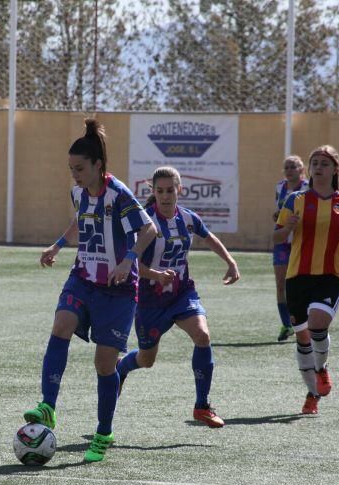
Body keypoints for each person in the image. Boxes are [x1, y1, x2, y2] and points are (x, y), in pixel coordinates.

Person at [23, 118, 157, 462]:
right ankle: (48, 406)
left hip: (118, 291)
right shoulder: (79, 193)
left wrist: (128, 260)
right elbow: (80, 221)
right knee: (61, 326)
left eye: (80, 168)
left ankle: (103, 432)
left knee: (103, 363)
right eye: (71, 169)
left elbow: (148, 230)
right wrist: (56, 245)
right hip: (82, 279)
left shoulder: (119, 194)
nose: (75, 175)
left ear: (99, 165)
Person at [116, 167, 240, 428]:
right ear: (153, 192)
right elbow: (131, 263)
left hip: (182, 293)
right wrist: (156, 275)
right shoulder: (145, 223)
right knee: (147, 360)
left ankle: (202, 406)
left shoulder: (188, 218)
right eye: (159, 191)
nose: (165, 195)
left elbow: (209, 237)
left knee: (202, 335)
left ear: (179, 190)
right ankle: (121, 367)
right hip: (150, 299)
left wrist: (230, 261)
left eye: (170, 190)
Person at [273, 145, 339, 415]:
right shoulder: (295, 200)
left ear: (335, 169)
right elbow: (277, 237)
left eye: (324, 163)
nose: (318, 167)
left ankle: (322, 368)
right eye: (314, 162)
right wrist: (287, 228)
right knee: (302, 339)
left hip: (330, 276)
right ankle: (312, 393)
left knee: (317, 324)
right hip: (297, 277)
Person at [272, 155, 307, 342]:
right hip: (282, 241)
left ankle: (304, 322)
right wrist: (277, 215)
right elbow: (278, 213)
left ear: (301, 169)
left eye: (293, 167)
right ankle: (286, 325)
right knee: (280, 284)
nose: (289, 170)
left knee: (301, 284)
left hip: (302, 241)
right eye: (286, 167)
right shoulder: (280, 187)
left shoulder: (309, 188)